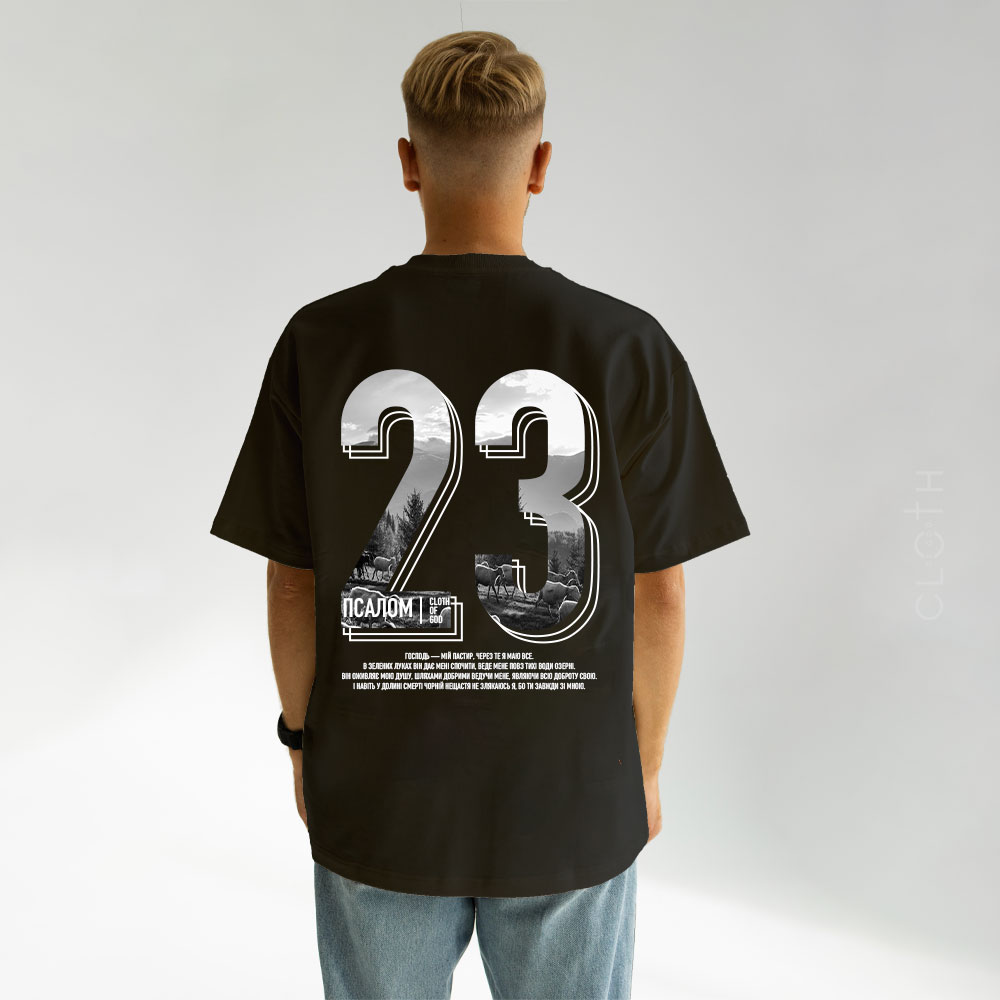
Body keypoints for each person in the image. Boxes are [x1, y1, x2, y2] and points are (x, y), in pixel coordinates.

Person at [210, 30, 750, 1000]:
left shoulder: (319, 341)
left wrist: (302, 743)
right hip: (568, 794)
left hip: (380, 786)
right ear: (540, 165)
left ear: (407, 162)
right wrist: (641, 769)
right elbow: (659, 592)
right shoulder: (628, 345)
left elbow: (291, 580)